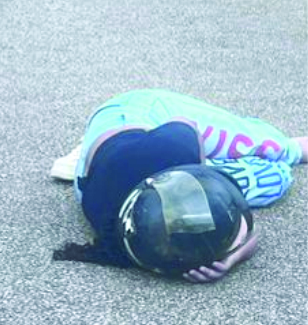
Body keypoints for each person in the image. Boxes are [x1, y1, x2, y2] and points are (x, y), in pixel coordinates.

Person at [51, 89, 304, 282]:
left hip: (145, 109)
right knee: (275, 180)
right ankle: (85, 152)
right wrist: (233, 255)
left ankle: (297, 147)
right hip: (109, 153)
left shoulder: (173, 148)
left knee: (276, 148)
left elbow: (188, 124)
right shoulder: (129, 236)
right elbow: (248, 232)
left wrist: (202, 163)